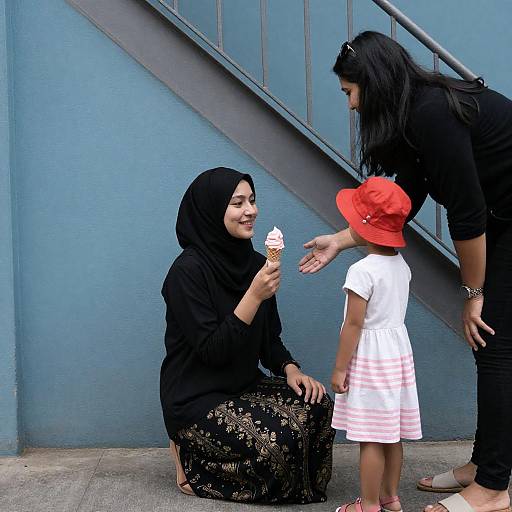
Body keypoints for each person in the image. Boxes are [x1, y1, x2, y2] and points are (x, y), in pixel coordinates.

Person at [299, 30, 512, 512]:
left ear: (372, 84)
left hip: (499, 217)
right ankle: (485, 464)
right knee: (490, 347)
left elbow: (467, 212)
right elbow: (404, 201)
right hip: (500, 217)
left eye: (350, 93)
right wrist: (342, 238)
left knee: (494, 342)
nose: (351, 106)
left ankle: (495, 487)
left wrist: (473, 292)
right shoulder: (413, 118)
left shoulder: (433, 113)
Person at [160, 167, 335, 504]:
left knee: (318, 406)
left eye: (252, 200)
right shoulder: (187, 272)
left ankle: (284, 477)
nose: (250, 210)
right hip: (196, 397)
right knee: (279, 441)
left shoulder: (256, 262)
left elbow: (269, 340)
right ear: (212, 211)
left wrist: (291, 369)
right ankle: (192, 459)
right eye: (237, 203)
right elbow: (212, 351)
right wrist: (253, 295)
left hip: (242, 386)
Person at [330, 177, 421, 512]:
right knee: (392, 433)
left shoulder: (361, 271)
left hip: (370, 358)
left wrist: (340, 367)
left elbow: (354, 324)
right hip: (396, 355)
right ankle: (389, 497)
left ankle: (367, 505)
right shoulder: (401, 267)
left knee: (370, 437)